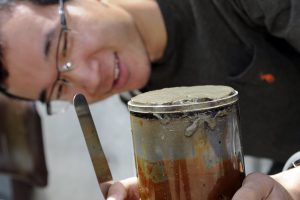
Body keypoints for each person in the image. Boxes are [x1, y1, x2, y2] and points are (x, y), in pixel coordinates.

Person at [0, 0, 300, 198]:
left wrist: (290, 184)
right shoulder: (144, 99)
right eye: (58, 88)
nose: (90, 81)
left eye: (63, 45)